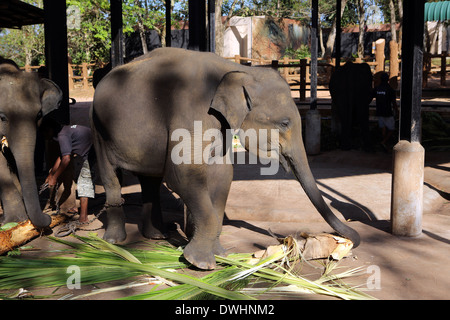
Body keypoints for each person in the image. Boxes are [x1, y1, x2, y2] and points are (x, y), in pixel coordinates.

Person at [45, 124, 95, 224]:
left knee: (84, 182)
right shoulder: (65, 131)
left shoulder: (62, 135)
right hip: (88, 147)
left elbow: (66, 159)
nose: (45, 136)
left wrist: (54, 177)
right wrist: (51, 174)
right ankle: (78, 209)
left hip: (92, 151)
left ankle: (83, 217)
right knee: (82, 179)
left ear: (49, 130)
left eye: (44, 133)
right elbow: (61, 156)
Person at [372, 72, 398, 150]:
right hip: (387, 112)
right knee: (391, 129)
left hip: (379, 111)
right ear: (388, 80)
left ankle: (384, 142)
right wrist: (396, 110)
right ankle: (384, 141)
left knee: (383, 127)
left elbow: (372, 95)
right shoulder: (390, 90)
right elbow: (393, 102)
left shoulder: (377, 88)